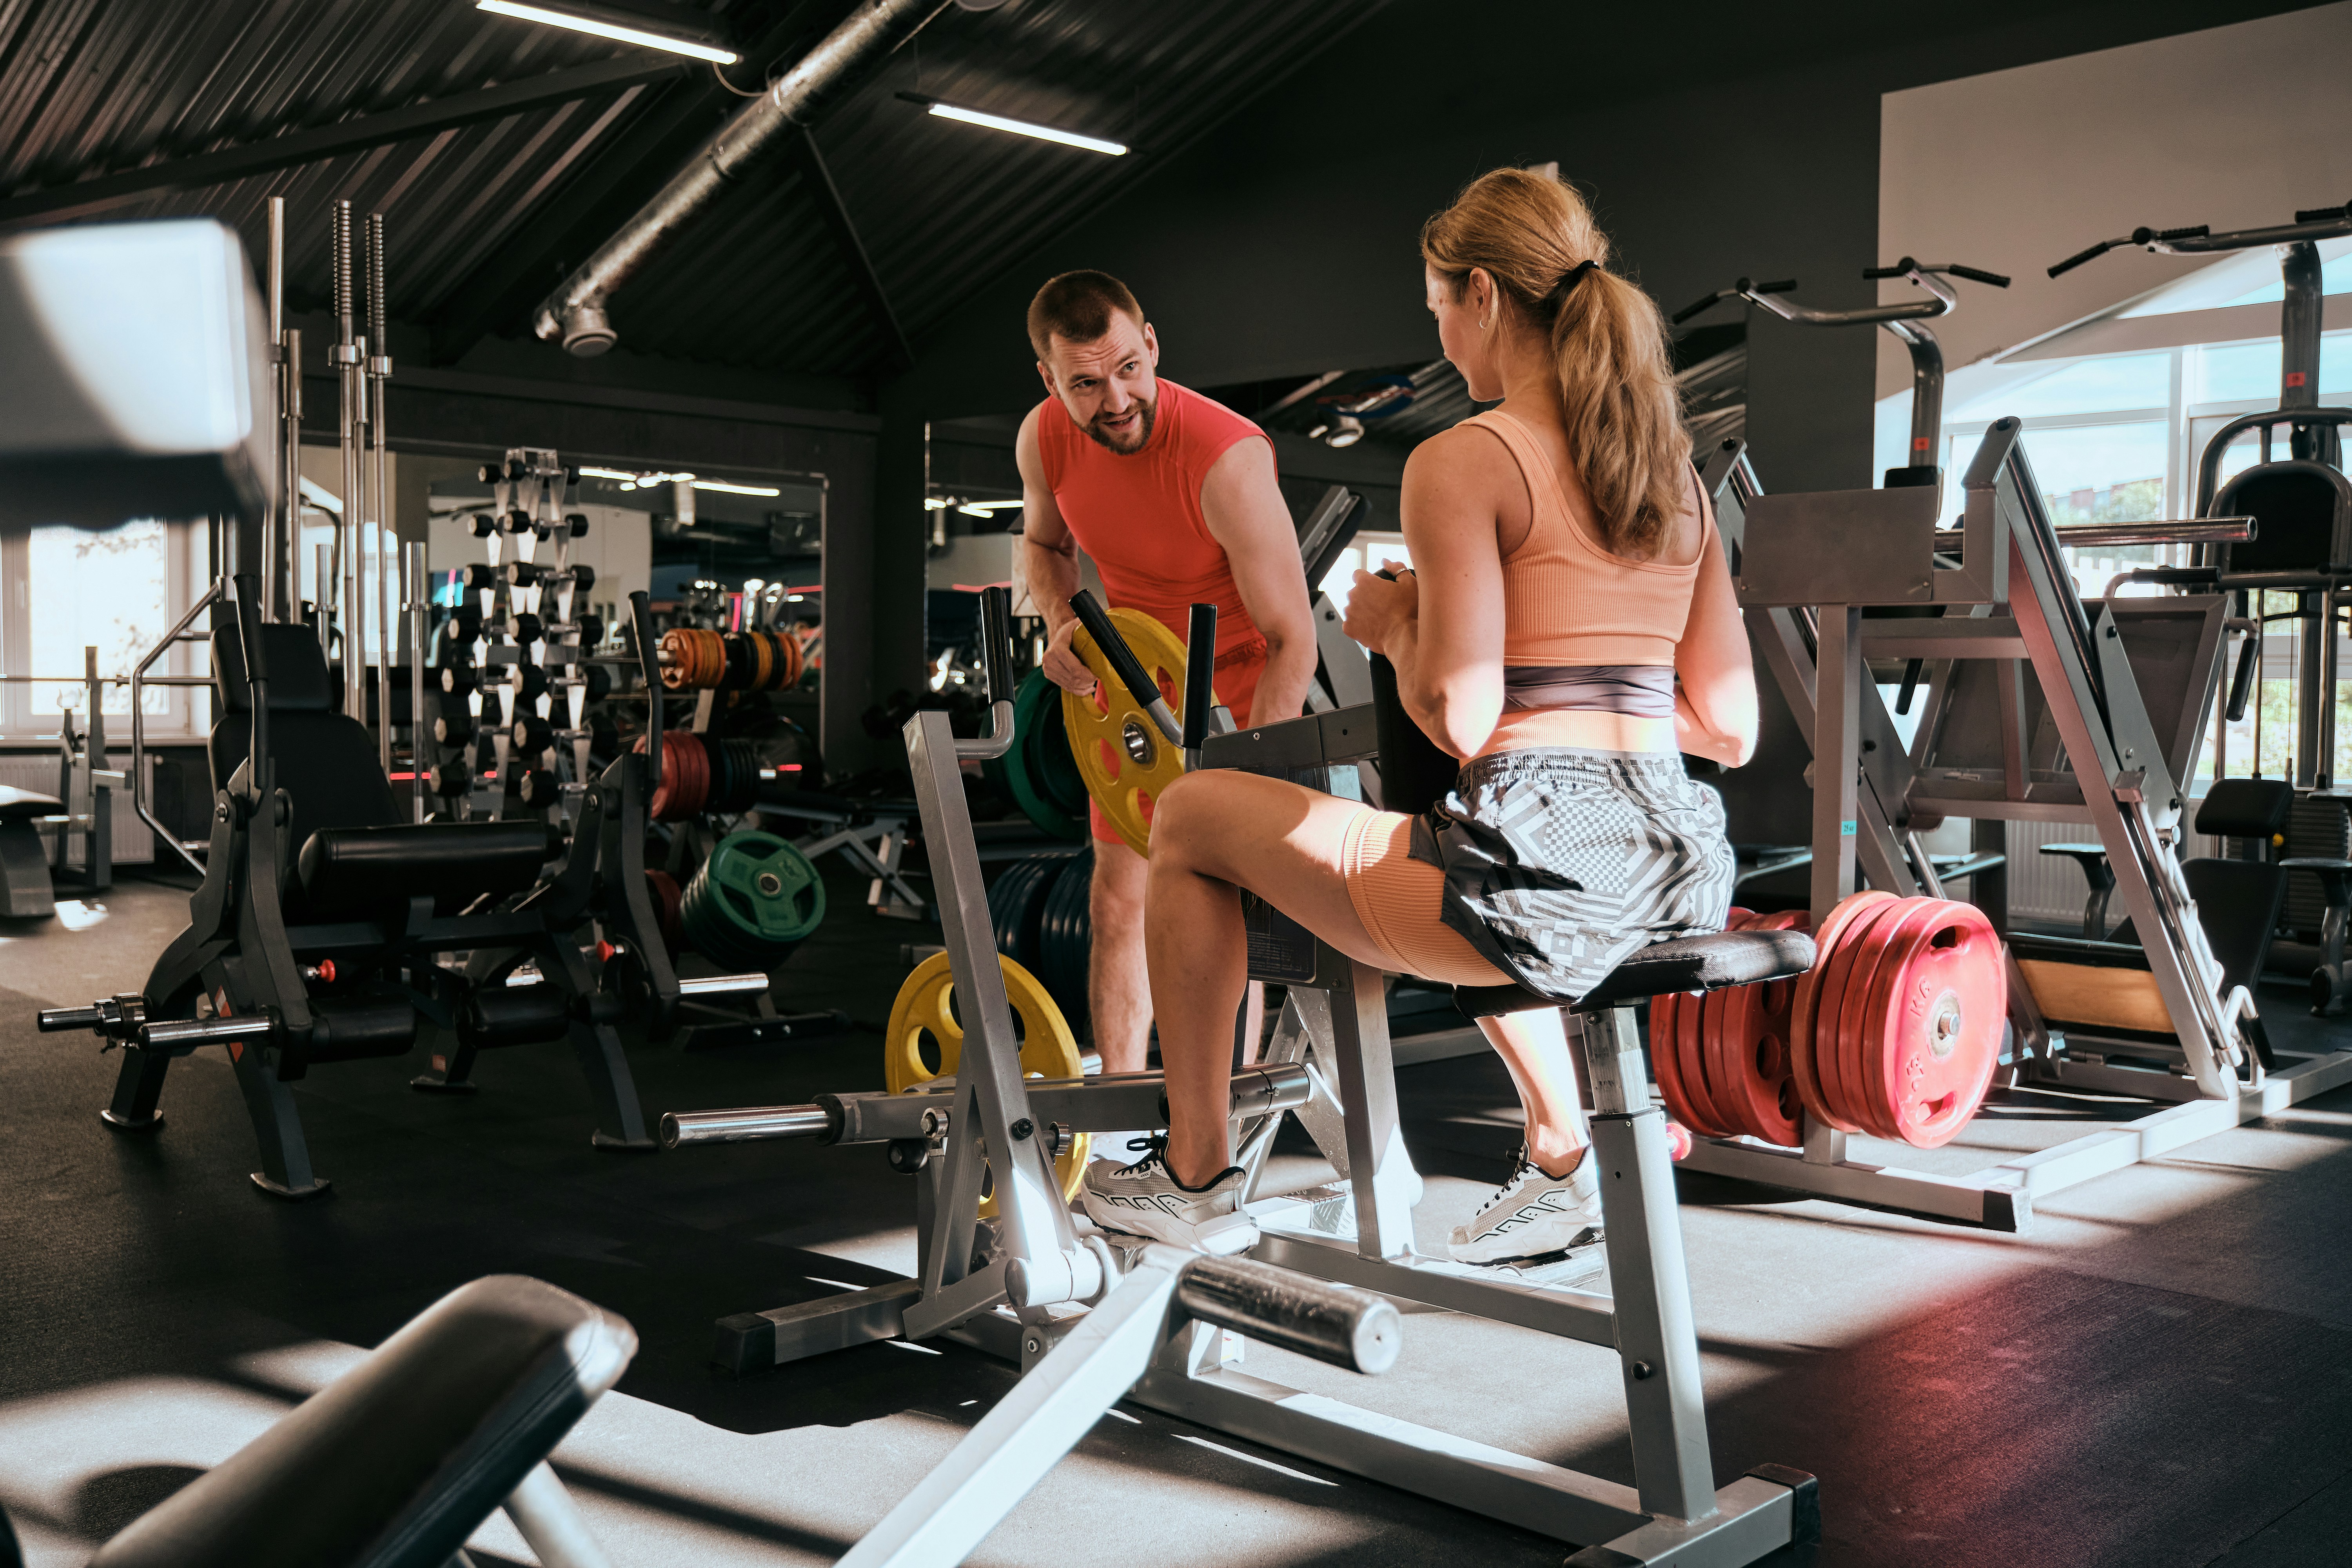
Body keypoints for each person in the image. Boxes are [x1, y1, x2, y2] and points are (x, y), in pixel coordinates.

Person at [1078, 169, 1759, 1258]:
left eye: (1436, 305)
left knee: (1196, 816)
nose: (1440, 332)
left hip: (1542, 884)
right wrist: (1573, 705)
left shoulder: (1465, 458)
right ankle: (1559, 1154)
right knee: (1451, 826)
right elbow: (1730, 728)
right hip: (1678, 871)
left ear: (1481, 295)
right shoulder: (1672, 476)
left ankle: (1195, 1175)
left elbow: (1458, 709)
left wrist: (1393, 622)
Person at [1016, 270, 1318, 1086]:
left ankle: (1221, 1115)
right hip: (1139, 681)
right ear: (1051, 381)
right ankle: (1120, 1116)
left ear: (1151, 346)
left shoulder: (1225, 456)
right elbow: (1046, 548)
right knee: (1118, 898)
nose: (1114, 399)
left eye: (1127, 369)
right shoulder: (1044, 438)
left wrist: (1260, 765)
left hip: (1244, 682)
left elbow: (1294, 637)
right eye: (1085, 382)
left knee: (1222, 902)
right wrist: (1060, 621)